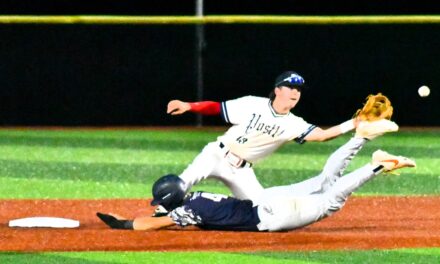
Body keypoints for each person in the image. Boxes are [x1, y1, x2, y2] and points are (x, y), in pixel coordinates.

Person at [96, 124, 415, 232]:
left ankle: (379, 166)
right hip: (265, 198)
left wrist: (123, 223)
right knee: (324, 180)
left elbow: (153, 222)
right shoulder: (196, 198)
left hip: (274, 216)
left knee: (331, 201)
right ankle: (360, 138)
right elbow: (166, 212)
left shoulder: (185, 211)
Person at [162, 71, 397, 210]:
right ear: (278, 90)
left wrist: (353, 124)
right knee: (178, 185)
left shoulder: (294, 123)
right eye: (291, 87)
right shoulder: (252, 103)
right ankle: (162, 212)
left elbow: (323, 135)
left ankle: (204, 206)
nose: (295, 92)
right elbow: (216, 108)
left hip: (242, 170)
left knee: (258, 209)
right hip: (216, 155)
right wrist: (188, 106)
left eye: (299, 90)